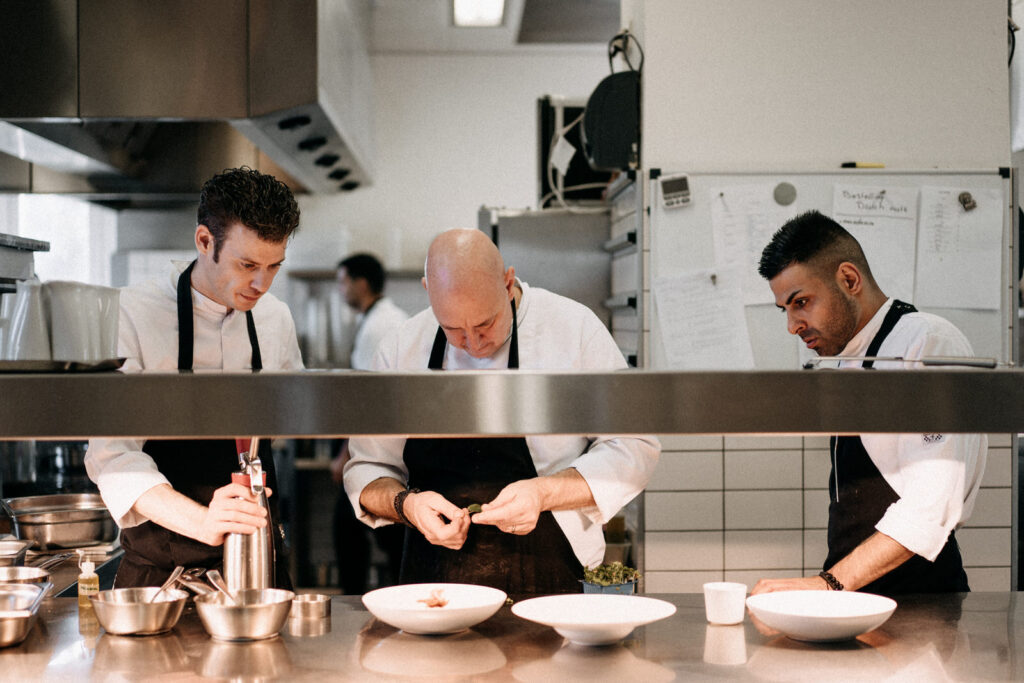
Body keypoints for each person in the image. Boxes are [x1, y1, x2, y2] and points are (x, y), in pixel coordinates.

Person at [343, 228, 660, 595]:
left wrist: (544, 493)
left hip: (550, 576)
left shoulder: (573, 329)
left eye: (485, 324)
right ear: (428, 290)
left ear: (508, 283)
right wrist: (406, 504)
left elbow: (634, 446)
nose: (474, 345)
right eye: (453, 330)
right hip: (433, 588)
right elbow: (367, 468)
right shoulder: (401, 346)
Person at [85, 167, 303, 588]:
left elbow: (283, 420)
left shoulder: (275, 318)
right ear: (204, 241)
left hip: (259, 570)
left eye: (275, 266)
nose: (262, 283)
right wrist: (202, 521)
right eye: (247, 264)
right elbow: (112, 456)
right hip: (162, 581)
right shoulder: (133, 313)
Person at [751, 210, 986, 597]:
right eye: (786, 310)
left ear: (849, 279)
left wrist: (829, 584)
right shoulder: (845, 356)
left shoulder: (927, 343)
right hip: (856, 588)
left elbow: (932, 503)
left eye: (802, 302)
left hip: (919, 599)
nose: (792, 325)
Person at [329, 253, 408, 593]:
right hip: (384, 440)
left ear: (361, 283)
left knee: (352, 526)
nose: (340, 290)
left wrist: (345, 454)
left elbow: (370, 399)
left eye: (343, 281)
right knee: (379, 531)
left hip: (382, 443)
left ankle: (358, 599)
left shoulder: (380, 326)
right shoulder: (378, 319)